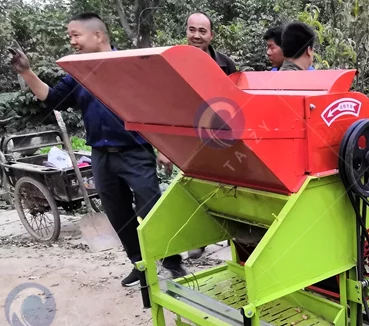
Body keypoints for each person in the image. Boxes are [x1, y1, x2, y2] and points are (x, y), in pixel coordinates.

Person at [9, 12, 187, 286]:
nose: (72, 41)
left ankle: (172, 261)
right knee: (118, 214)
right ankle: (140, 264)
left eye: (75, 35)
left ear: (98, 36)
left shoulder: (129, 67)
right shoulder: (80, 73)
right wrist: (26, 72)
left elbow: (156, 105)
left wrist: (164, 146)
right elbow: (53, 98)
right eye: (70, 36)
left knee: (151, 208)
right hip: (101, 157)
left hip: (135, 152)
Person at [172, 11, 237, 259]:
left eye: (202, 31)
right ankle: (198, 238)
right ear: (186, 32)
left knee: (229, 187)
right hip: (189, 137)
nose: (196, 35)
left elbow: (236, 101)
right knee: (193, 186)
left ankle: (234, 238)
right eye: (192, 30)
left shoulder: (225, 64)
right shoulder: (173, 61)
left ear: (211, 34)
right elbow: (168, 104)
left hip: (221, 137)